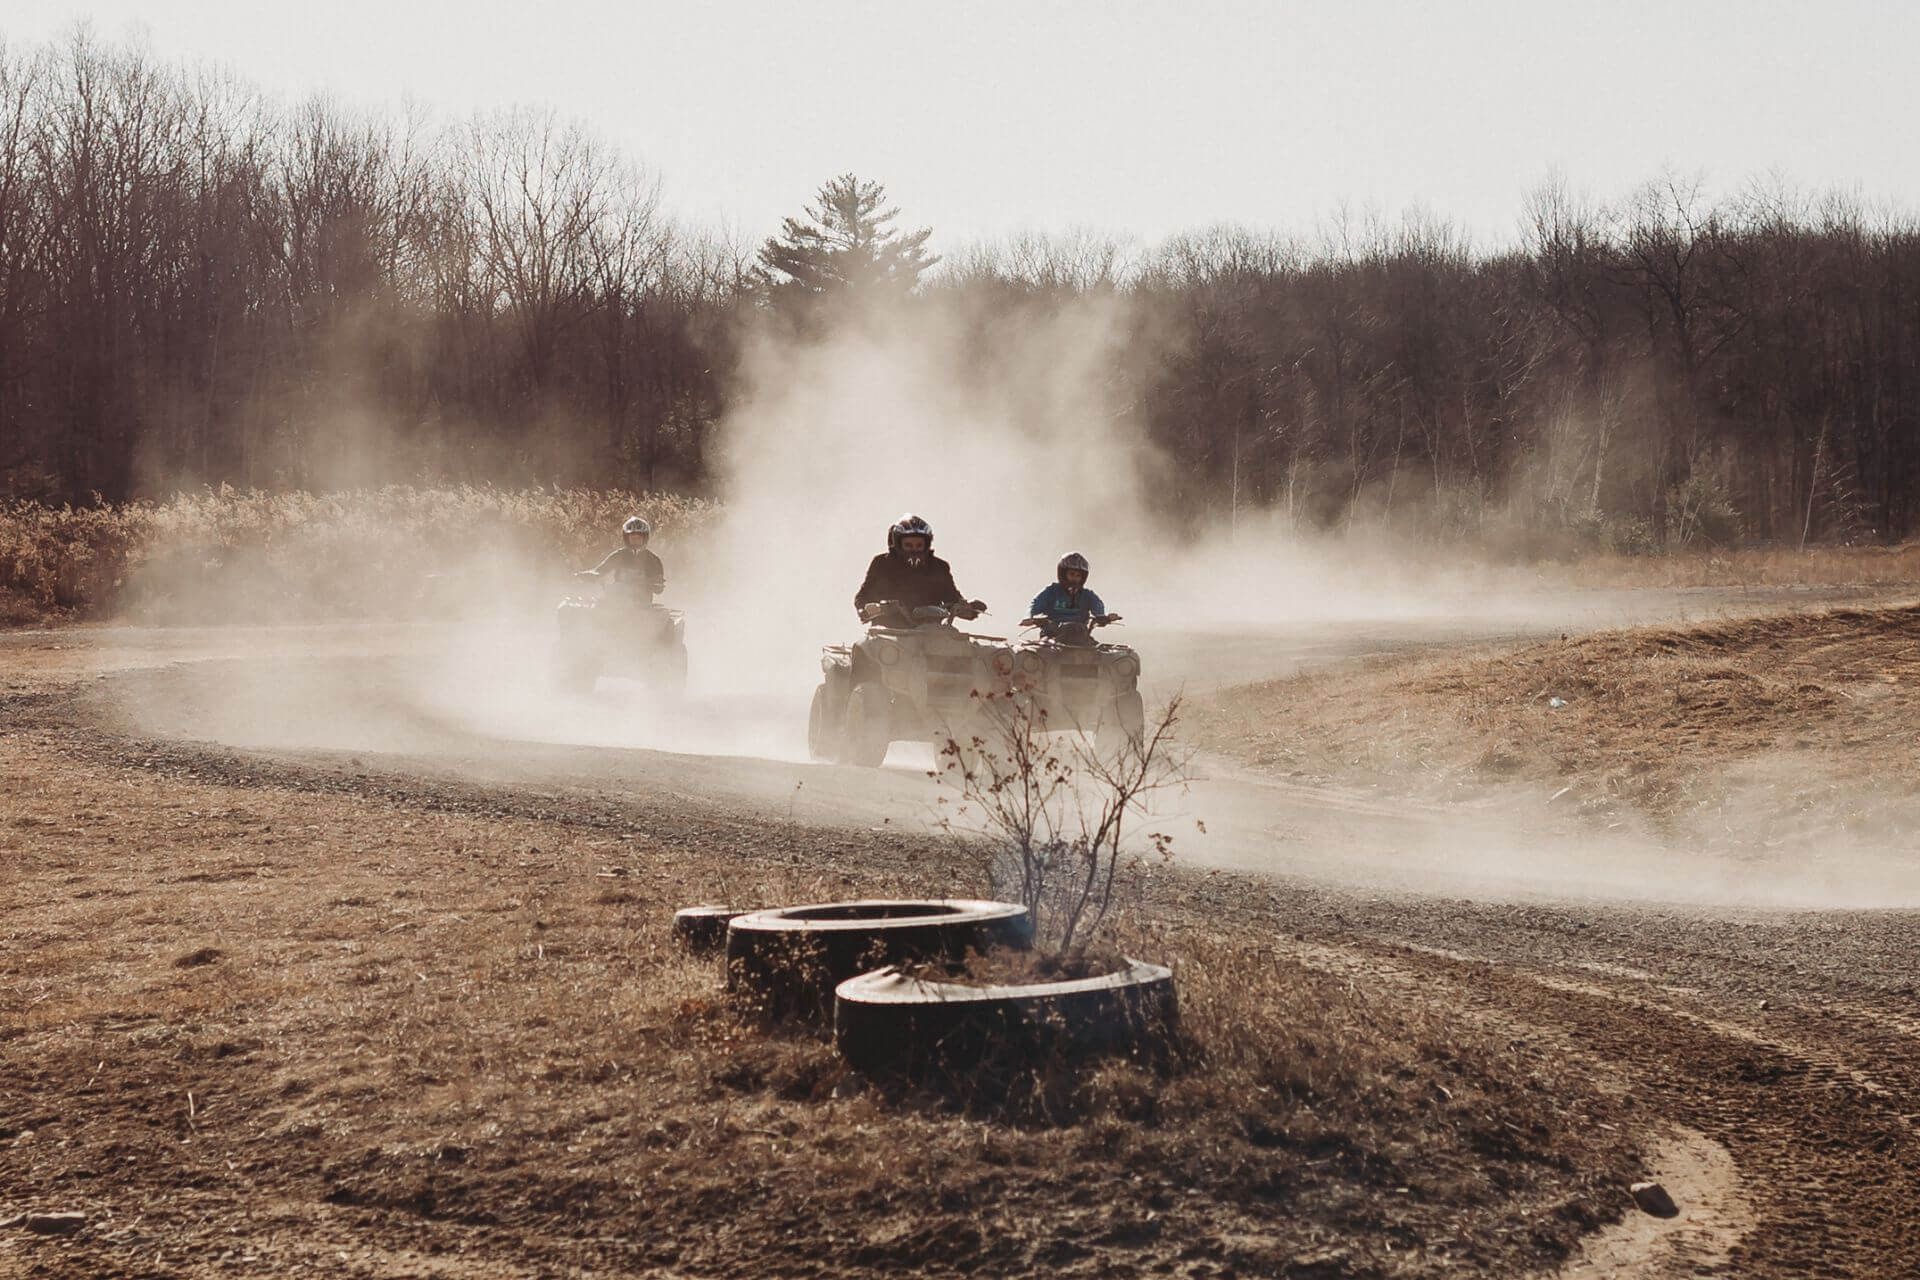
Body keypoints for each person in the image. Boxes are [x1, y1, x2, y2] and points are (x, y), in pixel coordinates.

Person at [853, 514, 985, 623]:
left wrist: (968, 608)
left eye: (919, 545)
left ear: (926, 545)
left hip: (933, 637)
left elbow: (952, 597)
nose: (914, 549)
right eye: (908, 545)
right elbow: (863, 596)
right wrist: (866, 609)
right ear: (898, 544)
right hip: (889, 637)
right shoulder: (882, 563)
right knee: (872, 650)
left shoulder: (939, 567)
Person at [1026, 552, 1118, 643]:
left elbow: (1098, 609)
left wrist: (1105, 618)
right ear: (1063, 574)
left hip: (1081, 638)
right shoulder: (1051, 591)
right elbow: (1035, 605)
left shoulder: (1087, 595)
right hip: (1051, 637)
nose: (1075, 578)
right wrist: (1029, 617)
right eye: (1072, 574)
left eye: (1078, 576)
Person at [579, 516, 666, 601]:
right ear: (626, 538)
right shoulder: (619, 555)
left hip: (643, 606)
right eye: (632, 537)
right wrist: (588, 575)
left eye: (638, 538)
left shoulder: (653, 560)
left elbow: (659, 589)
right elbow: (599, 571)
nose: (635, 540)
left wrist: (654, 583)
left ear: (645, 538)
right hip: (617, 603)